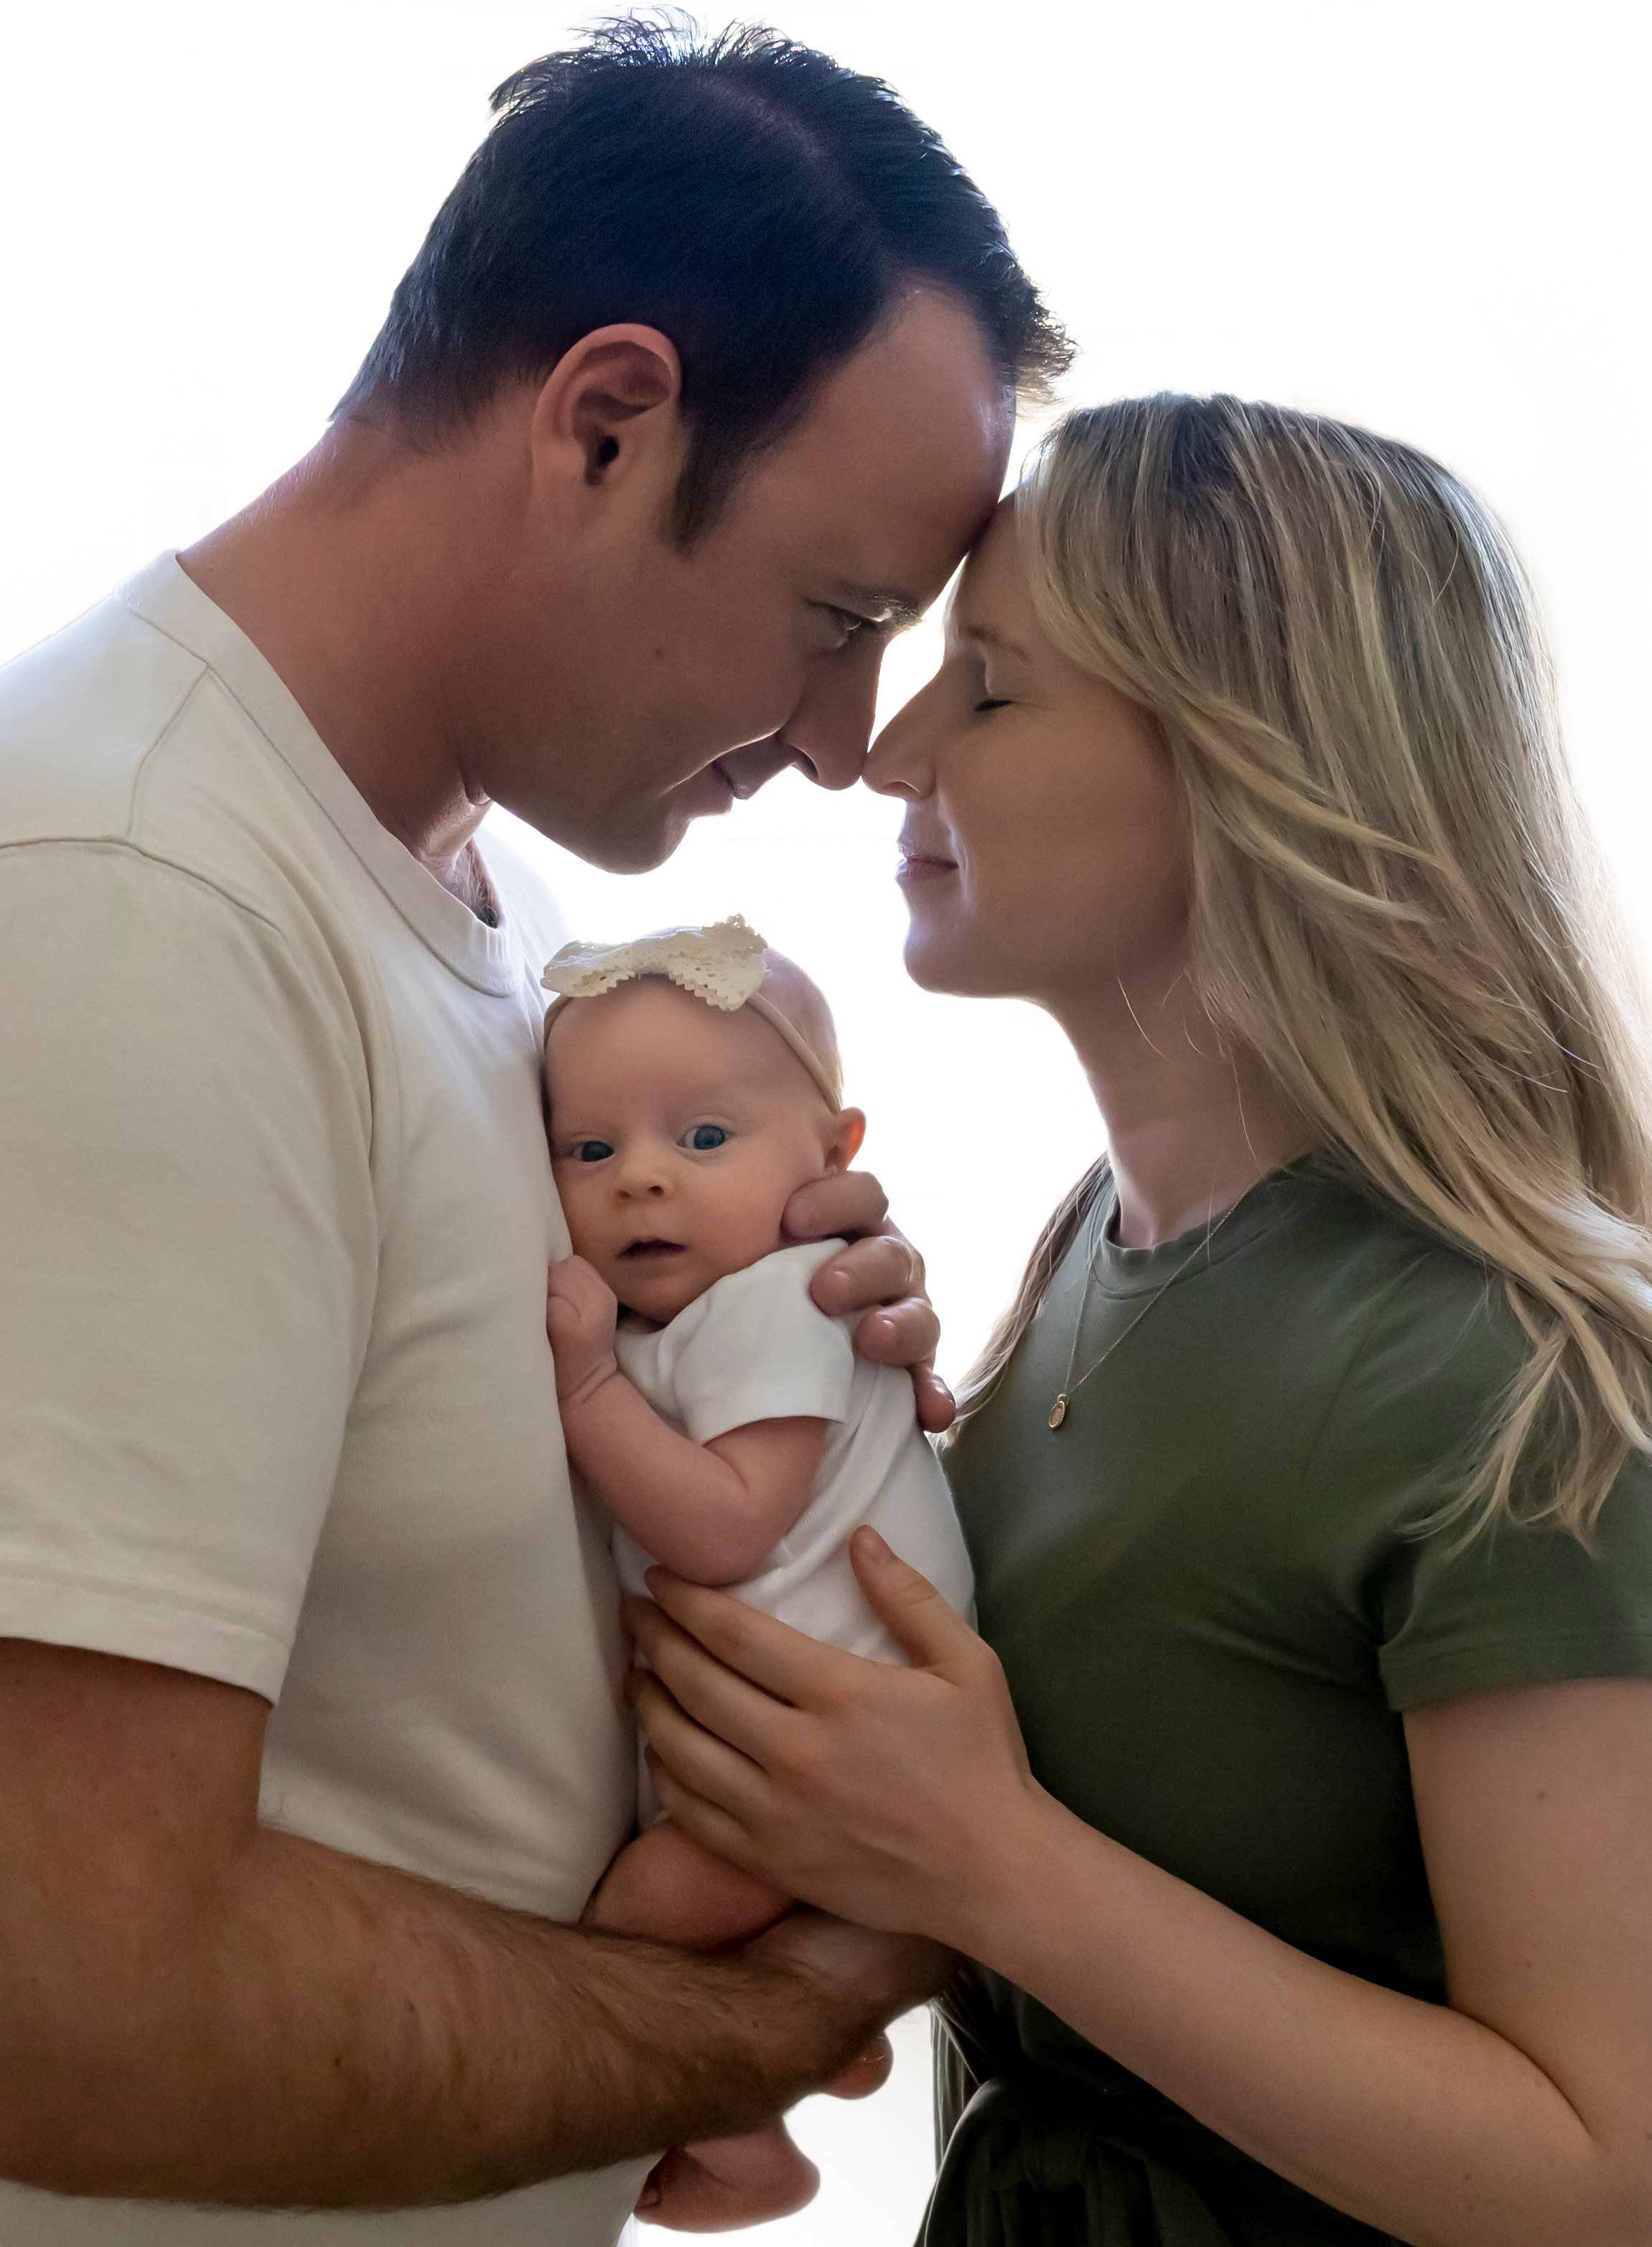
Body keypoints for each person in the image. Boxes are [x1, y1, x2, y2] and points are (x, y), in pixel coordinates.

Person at [0, 18, 1068, 2244]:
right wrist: (801, 1995)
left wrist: (788, 1352)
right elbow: (52, 1990)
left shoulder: (517, 923)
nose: (850, 741)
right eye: (839, 618)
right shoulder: (127, 905)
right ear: (603, 419)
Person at [621, 394, 1652, 2246]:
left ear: (1252, 764)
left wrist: (992, 1868)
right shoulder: (1080, 1250)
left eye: (991, 688)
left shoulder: (1519, 1377)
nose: (889, 750)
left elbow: (1596, 2171)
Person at [543, 920, 975, 2228]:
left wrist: (581, 1387)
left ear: (835, 1157)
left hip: (844, 1756)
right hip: (791, 1745)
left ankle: (745, 2143)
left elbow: (725, 1527)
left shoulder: (783, 1299)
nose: (643, 1184)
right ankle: (805, 2052)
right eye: (591, 1149)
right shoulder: (687, 1319)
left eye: (705, 1139)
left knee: (641, 1917)